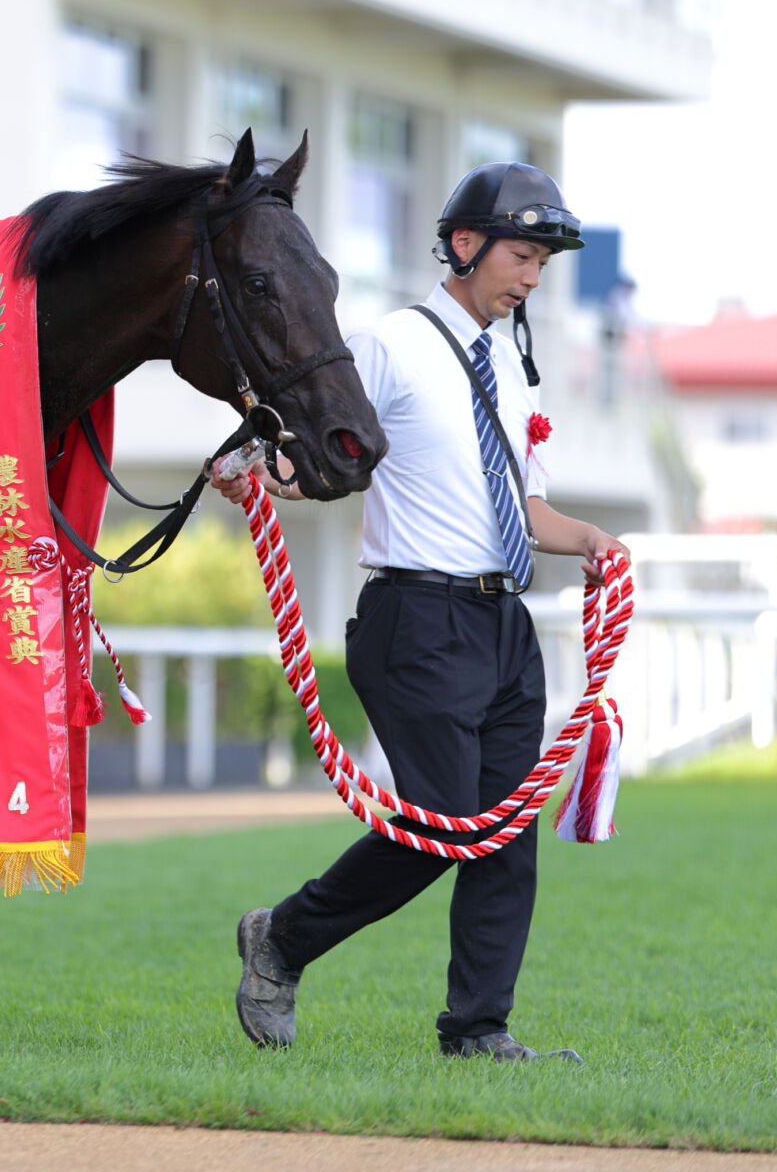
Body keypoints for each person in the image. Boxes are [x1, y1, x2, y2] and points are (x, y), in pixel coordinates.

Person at [211, 162, 630, 1062]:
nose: (533, 275)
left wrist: (593, 540)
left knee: (506, 839)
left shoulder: (514, 374)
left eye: (543, 262)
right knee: (443, 827)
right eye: (523, 254)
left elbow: (523, 512)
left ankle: (479, 1030)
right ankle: (283, 938)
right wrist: (260, 473)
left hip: (504, 626)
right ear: (468, 245)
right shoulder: (387, 346)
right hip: (416, 621)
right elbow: (318, 460)